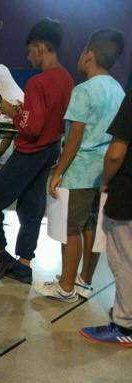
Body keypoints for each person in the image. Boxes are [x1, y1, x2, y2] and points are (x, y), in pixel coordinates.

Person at [0, 18, 74, 285]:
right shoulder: (66, 79)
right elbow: (52, 118)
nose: (28, 55)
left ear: (40, 47)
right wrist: (26, 112)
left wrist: (13, 113)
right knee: (31, 208)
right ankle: (23, 265)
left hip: (30, 151)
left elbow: (31, 128)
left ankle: (0, 255)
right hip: (51, 149)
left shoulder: (37, 82)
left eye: (30, 49)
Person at [37, 30, 125, 302]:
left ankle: (65, 287)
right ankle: (84, 280)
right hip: (104, 173)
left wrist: (58, 172)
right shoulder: (118, 90)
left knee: (70, 229)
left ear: (89, 55)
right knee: (91, 227)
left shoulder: (83, 90)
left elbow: (74, 138)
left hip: (80, 172)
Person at [80, 90, 132, 345]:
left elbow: (115, 153)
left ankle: (125, 325)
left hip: (128, 194)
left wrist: (105, 182)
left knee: (124, 259)